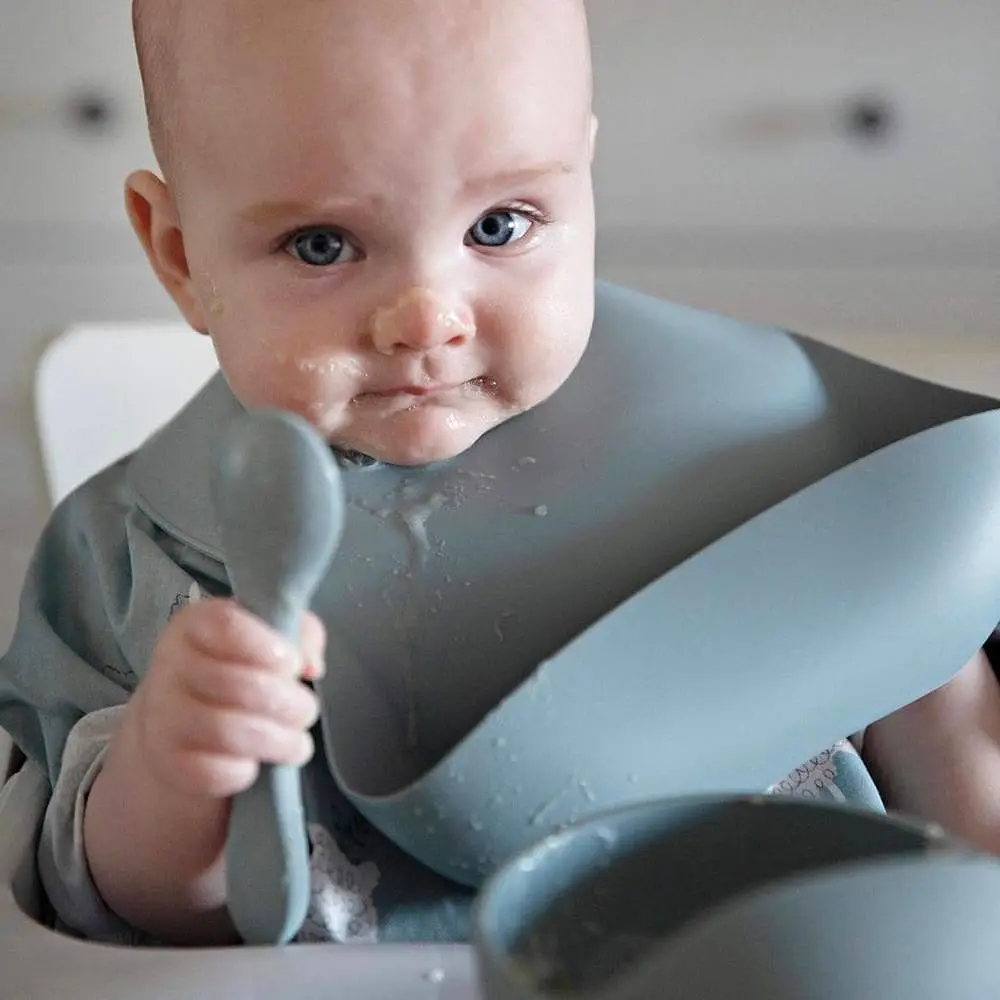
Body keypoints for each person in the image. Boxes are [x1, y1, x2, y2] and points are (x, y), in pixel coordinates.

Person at [2, 0, 1000, 948]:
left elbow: (931, 688)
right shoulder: (130, 562)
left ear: (583, 182)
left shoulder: (771, 467)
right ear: (179, 256)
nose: (426, 316)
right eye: (323, 244)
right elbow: (115, 915)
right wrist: (174, 780)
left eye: (499, 226)